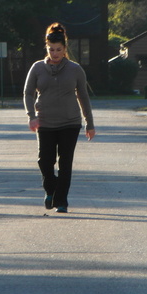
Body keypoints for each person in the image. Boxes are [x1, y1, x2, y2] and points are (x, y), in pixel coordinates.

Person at [24, 23, 95, 213]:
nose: (55, 53)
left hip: (70, 123)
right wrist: (31, 116)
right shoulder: (37, 68)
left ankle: (61, 201)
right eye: (51, 49)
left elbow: (83, 96)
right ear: (46, 48)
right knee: (44, 161)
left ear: (65, 49)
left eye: (59, 50)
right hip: (45, 122)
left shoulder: (75, 69)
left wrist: (90, 123)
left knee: (65, 163)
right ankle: (51, 189)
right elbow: (28, 93)